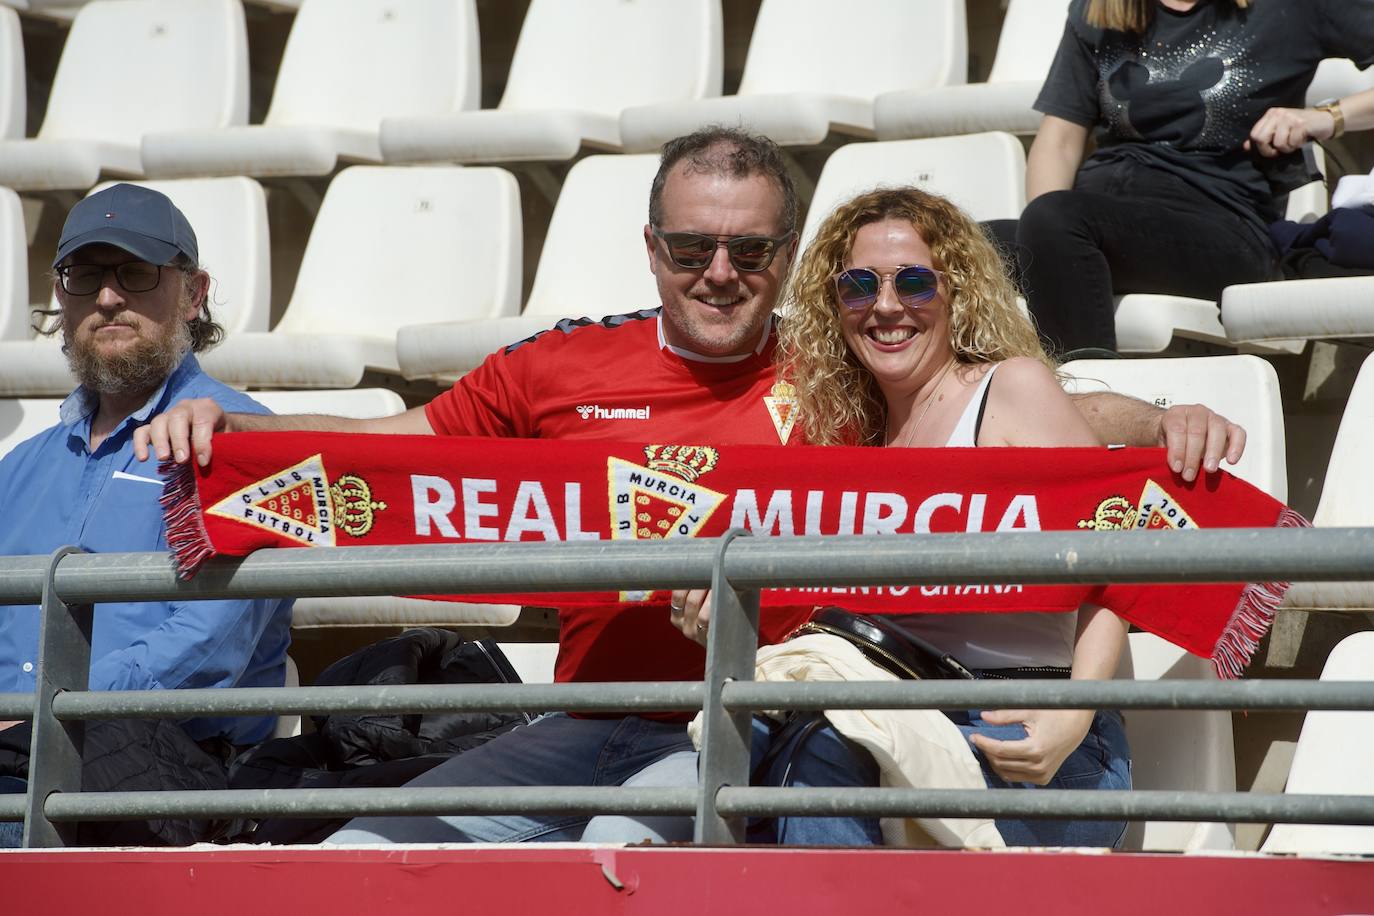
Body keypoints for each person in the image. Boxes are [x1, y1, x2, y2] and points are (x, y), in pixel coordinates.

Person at [134, 127, 1242, 846]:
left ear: (785, 255)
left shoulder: (838, 368)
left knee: (625, 860)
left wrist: (1159, 421)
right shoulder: (555, 363)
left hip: (727, 727)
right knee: (362, 856)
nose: (720, 272)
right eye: (692, 247)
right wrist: (233, 433)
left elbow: (1000, 420)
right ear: (652, 248)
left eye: (752, 252)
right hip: (578, 714)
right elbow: (408, 444)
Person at [673, 185, 1134, 847]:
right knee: (751, 743)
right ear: (837, 306)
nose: (886, 306)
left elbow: (1122, 559)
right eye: (859, 286)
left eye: (914, 282)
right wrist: (725, 626)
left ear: (957, 293)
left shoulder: (1010, 390)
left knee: (823, 755)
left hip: (1033, 732)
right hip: (889, 716)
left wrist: (1075, 713)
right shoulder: (854, 446)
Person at [0, 184, 293, 847]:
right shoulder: (20, 469)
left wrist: (37, 714)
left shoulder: (243, 445)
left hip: (164, 769)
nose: (108, 297)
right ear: (61, 293)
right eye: (86, 274)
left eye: (136, 273)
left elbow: (209, 647)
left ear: (194, 294)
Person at [988, 0, 1374, 354]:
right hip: (1098, 221)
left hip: (1222, 226)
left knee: (1057, 219)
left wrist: (1330, 117)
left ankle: (1089, 406)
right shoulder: (1100, 10)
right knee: (943, 244)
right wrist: (1044, 240)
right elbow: (1058, 141)